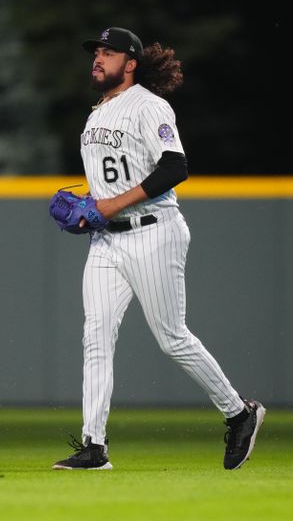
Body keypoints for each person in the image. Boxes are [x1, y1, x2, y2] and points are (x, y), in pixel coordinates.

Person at [52, 27, 265, 470]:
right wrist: (93, 208)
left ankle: (239, 413)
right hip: (107, 240)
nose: (97, 58)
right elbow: (108, 185)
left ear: (130, 63)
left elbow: (175, 166)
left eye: (108, 53)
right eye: (95, 52)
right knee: (96, 336)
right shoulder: (96, 114)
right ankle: (95, 445)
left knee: (172, 338)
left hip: (154, 232)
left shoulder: (150, 106)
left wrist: (109, 204)